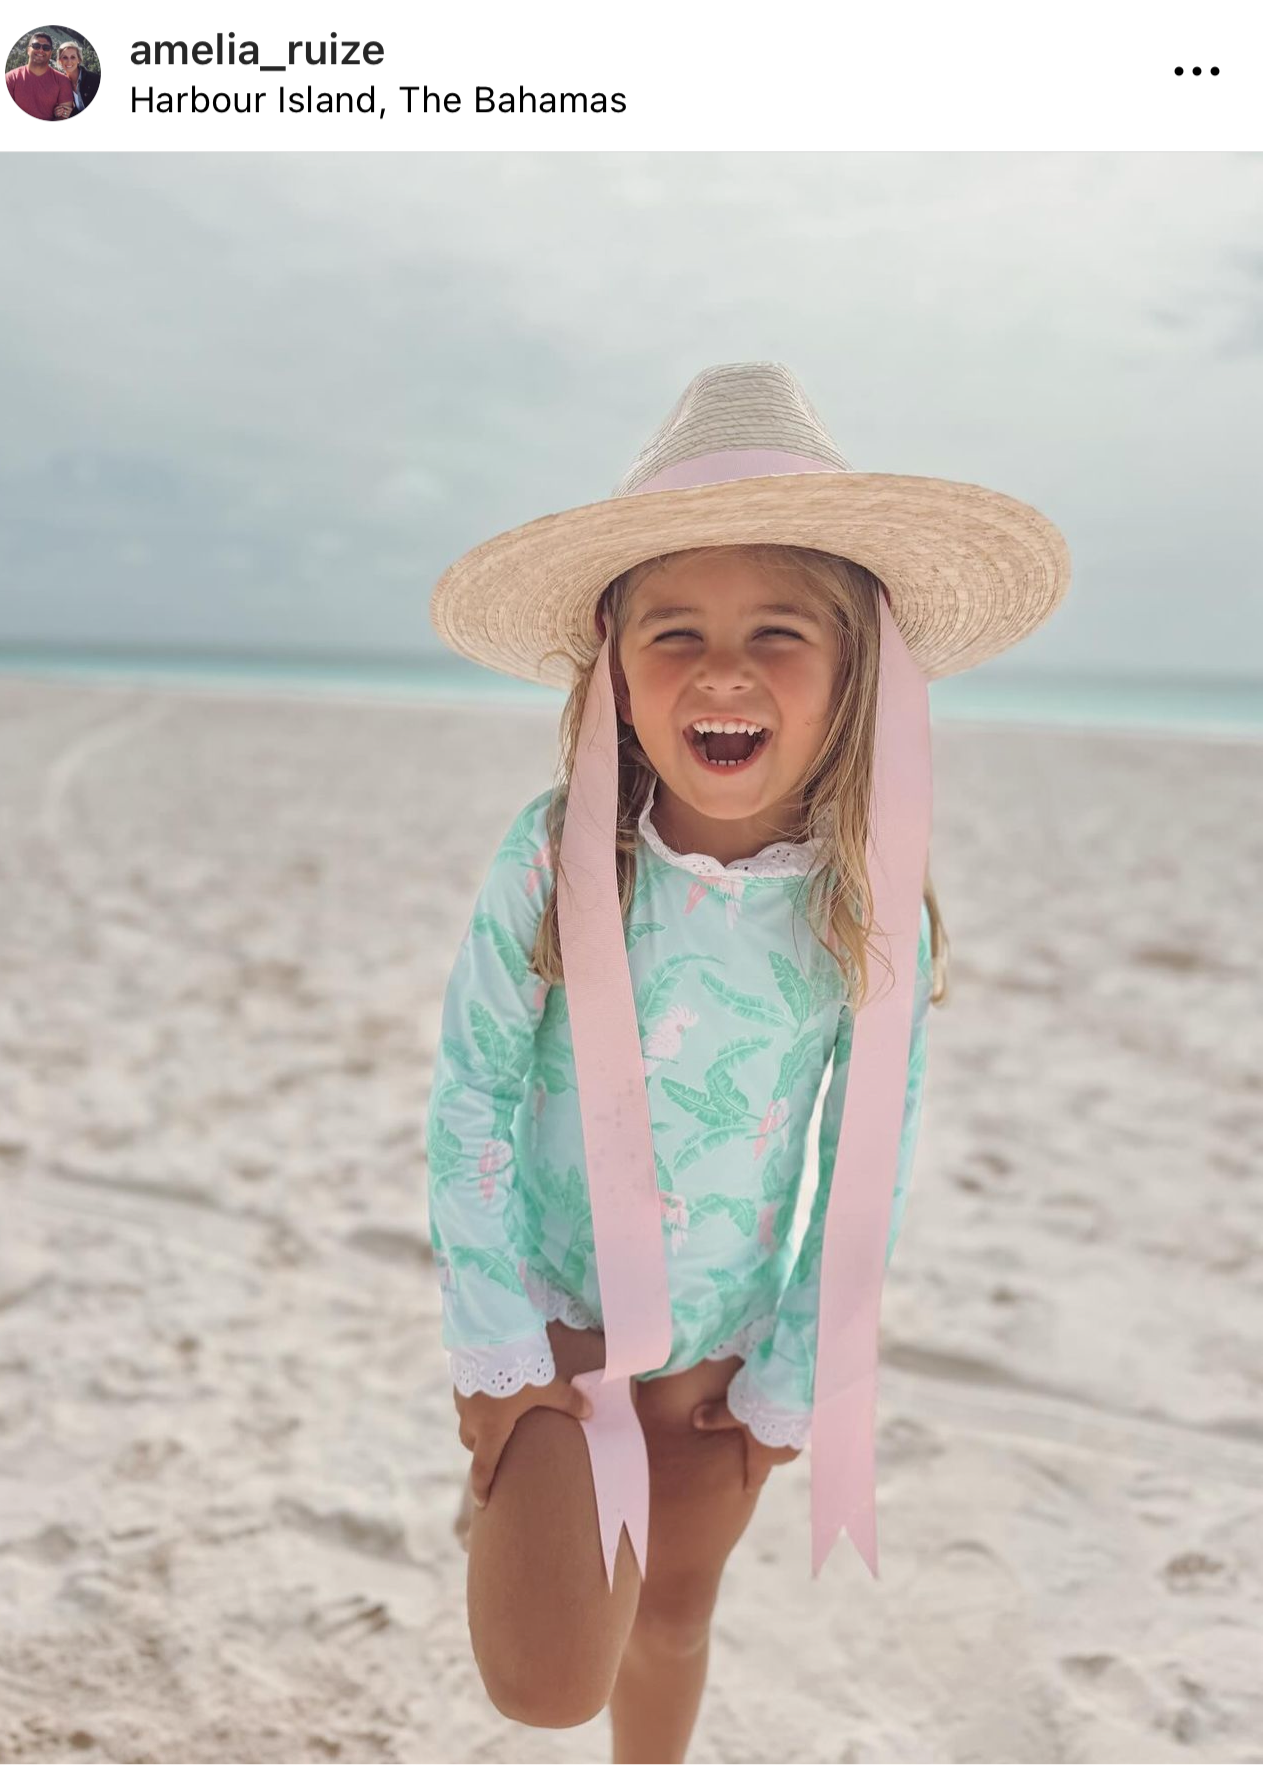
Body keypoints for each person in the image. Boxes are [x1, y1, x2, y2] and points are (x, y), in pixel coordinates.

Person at [425, 359, 1070, 1758]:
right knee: (548, 1676)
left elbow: (865, 1157)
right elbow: (470, 1087)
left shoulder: (863, 899)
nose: (723, 670)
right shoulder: (557, 856)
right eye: (677, 632)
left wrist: (795, 1373)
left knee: (671, 1616)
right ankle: (533, 1508)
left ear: (854, 672)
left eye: (778, 631)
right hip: (554, 1317)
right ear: (616, 669)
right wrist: (492, 1334)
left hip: (720, 1344)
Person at [5, 32, 74, 120]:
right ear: (28, 50)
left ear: (50, 53)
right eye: (36, 46)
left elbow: (63, 117)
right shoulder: (11, 78)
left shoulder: (62, 81)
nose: (41, 50)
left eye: (46, 48)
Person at [56, 42, 100, 115]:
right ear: (60, 61)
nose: (69, 61)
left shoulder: (95, 80)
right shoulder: (62, 84)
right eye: (65, 57)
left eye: (73, 57)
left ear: (79, 59)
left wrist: (73, 113)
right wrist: (58, 111)